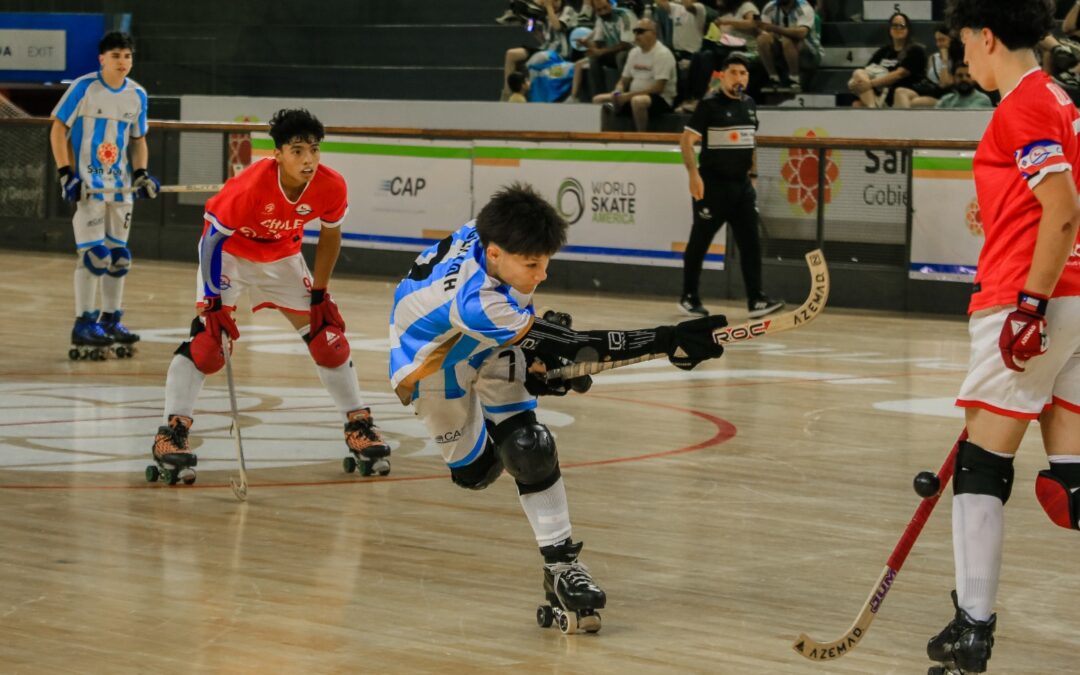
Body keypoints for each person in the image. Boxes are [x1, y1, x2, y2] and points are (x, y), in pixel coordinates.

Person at [388, 182, 728, 630]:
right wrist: (667, 340)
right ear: (494, 255)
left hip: (492, 343)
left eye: (545, 261)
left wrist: (541, 356)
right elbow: (580, 348)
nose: (542, 274)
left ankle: (561, 565)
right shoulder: (475, 303)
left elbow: (564, 344)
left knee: (530, 446)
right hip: (433, 368)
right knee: (474, 475)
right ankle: (515, 394)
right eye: (532, 265)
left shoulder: (495, 235)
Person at [926, 1, 1080, 672]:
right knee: (1071, 480)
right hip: (1073, 302)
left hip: (1029, 304)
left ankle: (973, 625)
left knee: (981, 467)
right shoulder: (1059, 97)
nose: (963, 62)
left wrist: (1028, 304)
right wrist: (998, 209)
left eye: (964, 46)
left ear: (986, 37)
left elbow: (1064, 210)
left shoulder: (1019, 105)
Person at [149, 109, 391, 485]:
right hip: (229, 254)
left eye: (313, 149)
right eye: (297, 151)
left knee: (329, 340)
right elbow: (212, 240)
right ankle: (171, 433)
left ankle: (360, 425)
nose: (308, 159)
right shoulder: (249, 186)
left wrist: (321, 293)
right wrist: (212, 300)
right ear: (277, 153)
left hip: (282, 257)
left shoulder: (331, 185)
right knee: (209, 345)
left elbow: (330, 236)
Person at [49, 31, 160, 360]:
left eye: (127, 56)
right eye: (115, 56)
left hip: (120, 189)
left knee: (119, 258)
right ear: (102, 59)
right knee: (94, 256)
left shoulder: (137, 94)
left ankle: (111, 320)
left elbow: (138, 140)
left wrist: (140, 174)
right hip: (88, 188)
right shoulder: (85, 88)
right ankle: (84, 321)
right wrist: (65, 173)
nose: (122, 62)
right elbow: (58, 129)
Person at [677, 53, 784, 319]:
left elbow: (751, 140)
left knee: (751, 243)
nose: (739, 78)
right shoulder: (709, 105)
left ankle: (756, 299)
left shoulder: (749, 104)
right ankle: (689, 297)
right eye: (734, 73)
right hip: (712, 187)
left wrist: (754, 175)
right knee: (700, 242)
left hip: (742, 187)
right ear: (723, 75)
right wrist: (694, 175)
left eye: (743, 73)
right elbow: (686, 141)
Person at [592, 18, 677, 131]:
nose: (637, 35)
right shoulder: (634, 53)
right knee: (598, 100)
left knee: (638, 101)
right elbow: (624, 80)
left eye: (641, 31)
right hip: (632, 96)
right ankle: (604, 137)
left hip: (661, 99)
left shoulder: (662, 53)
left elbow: (658, 88)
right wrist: (618, 91)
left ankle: (641, 137)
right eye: (635, 31)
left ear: (654, 33)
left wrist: (628, 96)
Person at [501, 0, 579, 100]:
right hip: (545, 50)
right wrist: (527, 20)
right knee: (511, 54)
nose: (552, 4)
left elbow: (558, 27)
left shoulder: (568, 11)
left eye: (555, 1)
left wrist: (548, 7)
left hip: (559, 54)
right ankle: (507, 95)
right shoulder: (544, 14)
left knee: (536, 60)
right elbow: (541, 38)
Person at [848, 12, 927, 108]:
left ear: (908, 29)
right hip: (879, 94)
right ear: (889, 29)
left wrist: (870, 84)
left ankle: (874, 108)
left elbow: (900, 74)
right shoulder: (884, 51)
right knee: (858, 74)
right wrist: (855, 84)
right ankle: (873, 107)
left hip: (902, 92)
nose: (898, 28)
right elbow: (866, 72)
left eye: (902, 26)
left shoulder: (915, 50)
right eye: (894, 25)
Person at [756, 0, 824, 93]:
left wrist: (774, 28)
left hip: (809, 53)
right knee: (762, 39)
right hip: (783, 51)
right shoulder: (770, 7)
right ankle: (773, 77)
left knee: (788, 39)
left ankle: (794, 78)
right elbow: (764, 29)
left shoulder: (804, 8)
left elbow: (801, 33)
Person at [893, 24, 957, 108]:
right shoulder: (933, 58)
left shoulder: (957, 60)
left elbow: (944, 84)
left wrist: (944, 61)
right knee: (900, 92)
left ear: (951, 40)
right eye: (937, 40)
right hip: (930, 93)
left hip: (947, 97)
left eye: (942, 40)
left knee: (915, 103)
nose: (938, 44)